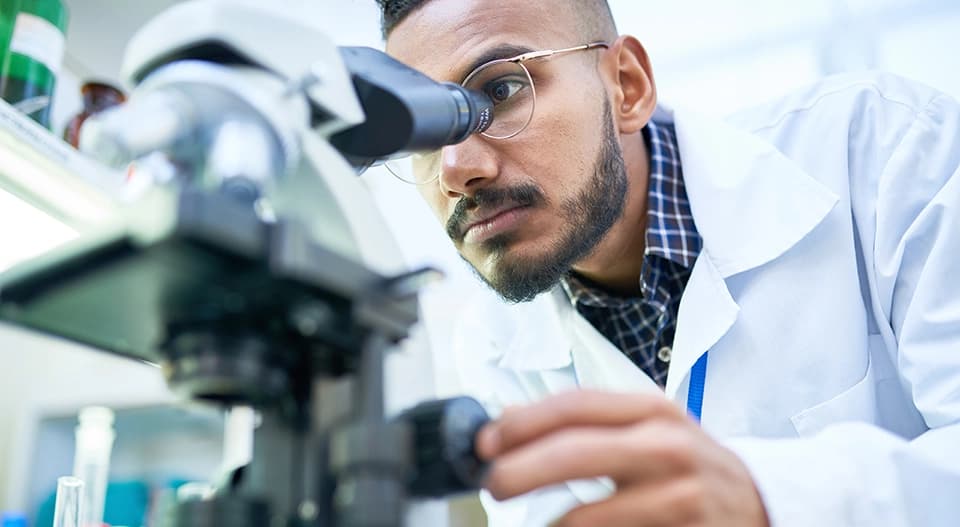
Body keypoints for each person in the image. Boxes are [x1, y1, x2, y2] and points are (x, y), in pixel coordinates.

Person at [375, 1, 960, 525]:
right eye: (422, 131)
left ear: (626, 86)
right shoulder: (494, 347)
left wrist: (770, 499)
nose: (454, 170)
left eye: (499, 92)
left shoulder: (886, 151)